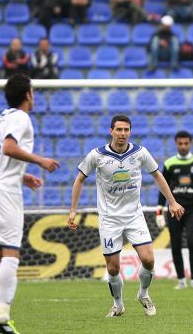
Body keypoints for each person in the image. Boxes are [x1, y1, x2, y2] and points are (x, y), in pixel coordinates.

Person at [0, 74, 60, 334]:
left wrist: (22, 175)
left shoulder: (0, 119)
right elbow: (9, 148)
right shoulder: (21, 118)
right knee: (11, 253)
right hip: (6, 194)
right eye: (33, 91)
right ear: (28, 94)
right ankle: (3, 317)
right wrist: (40, 161)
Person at [68, 115, 184, 317]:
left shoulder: (140, 153)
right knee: (113, 268)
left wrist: (172, 202)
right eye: (119, 129)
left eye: (126, 130)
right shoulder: (97, 155)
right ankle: (118, 304)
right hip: (109, 218)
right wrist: (73, 210)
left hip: (134, 216)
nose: (122, 133)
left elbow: (157, 175)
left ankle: (143, 294)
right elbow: (79, 179)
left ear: (130, 131)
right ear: (111, 131)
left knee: (148, 259)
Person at [154, 130, 193, 291]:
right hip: (174, 209)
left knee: (192, 241)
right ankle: (181, 280)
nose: (183, 146)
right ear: (176, 144)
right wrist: (159, 211)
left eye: (186, 143)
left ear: (190, 143)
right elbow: (163, 187)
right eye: (180, 143)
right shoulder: (169, 164)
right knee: (175, 244)